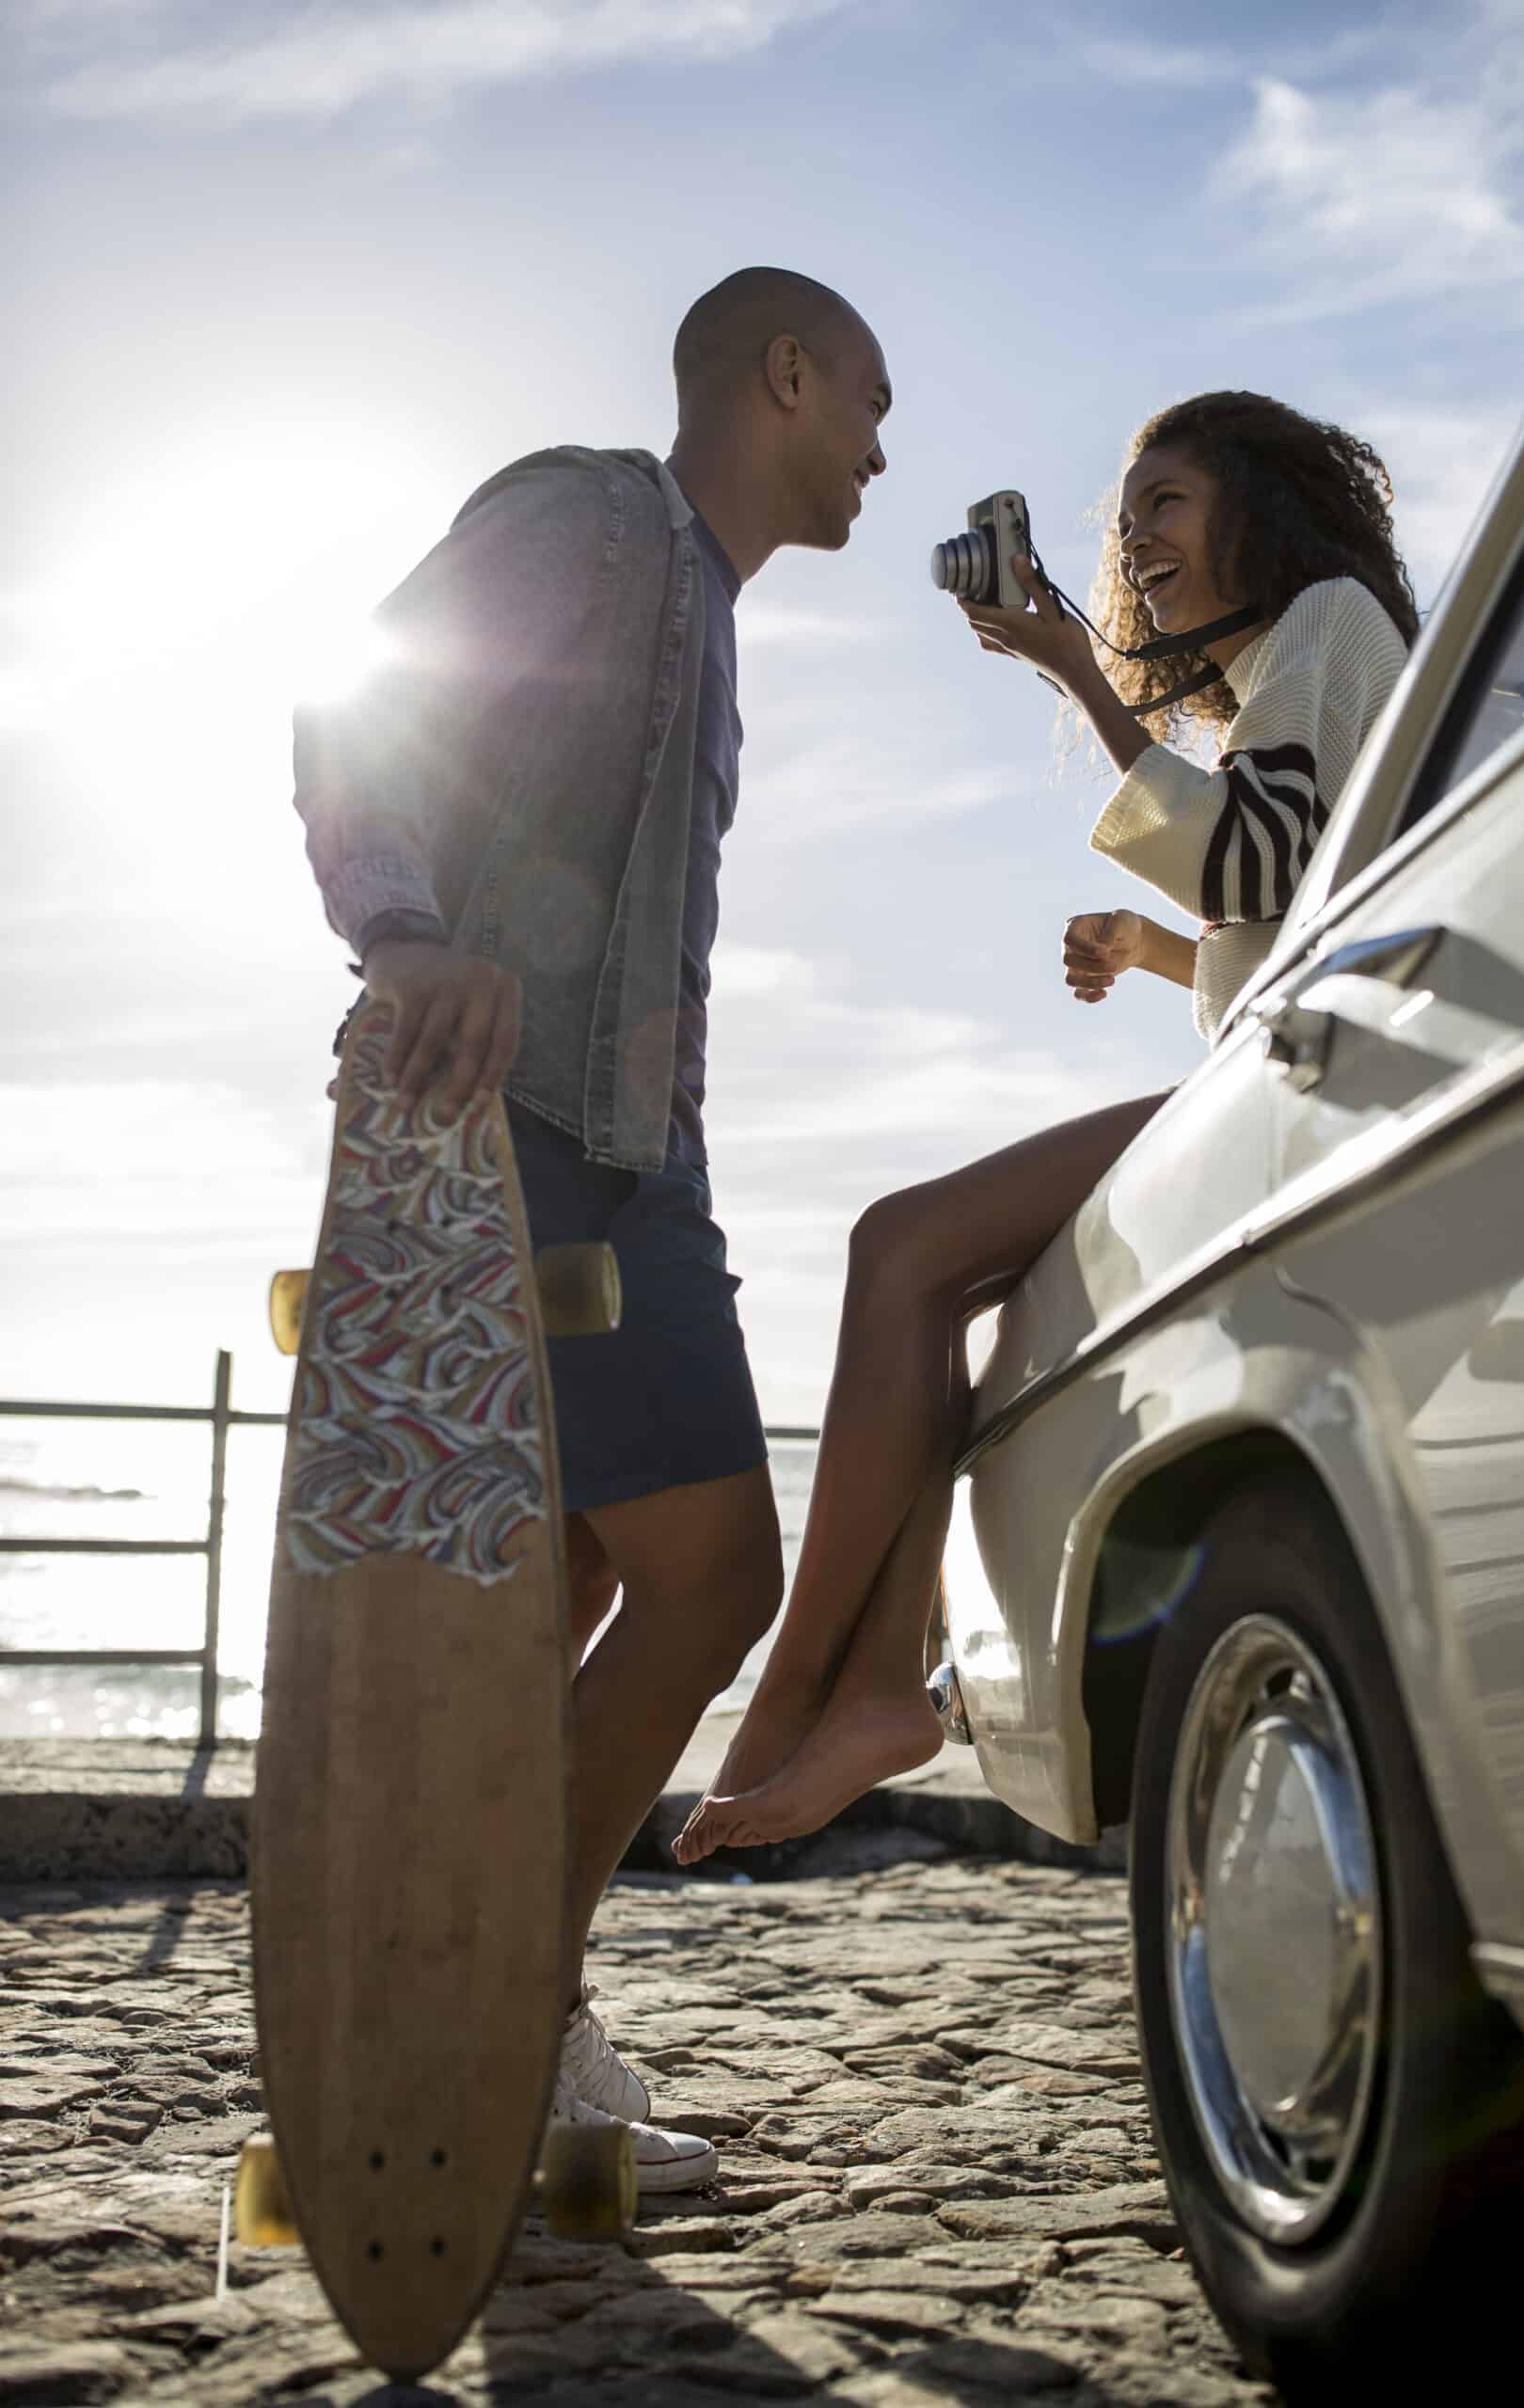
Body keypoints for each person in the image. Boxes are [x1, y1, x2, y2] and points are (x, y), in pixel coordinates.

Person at [292, 268, 892, 2187]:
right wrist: (400, 930)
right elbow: (357, 703)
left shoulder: (701, 609)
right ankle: (508, 2008)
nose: (881, 449)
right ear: (780, 374)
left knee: (529, 1613)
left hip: (626, 1144)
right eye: (864, 402)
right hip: (523, 1135)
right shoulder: (587, 519)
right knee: (713, 1578)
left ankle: (442, 2014)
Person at [673, 389, 1418, 1863]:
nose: (1134, 540)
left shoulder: (1329, 619)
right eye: (1125, 517)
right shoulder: (1299, 655)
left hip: (1311, 1091)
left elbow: (1266, 853)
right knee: (964, 1295)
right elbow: (1299, 887)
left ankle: (806, 1699)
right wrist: (1159, 953)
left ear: (1260, 508)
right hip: (1288, 1071)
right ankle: (877, 1687)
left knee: (906, 1249)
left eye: (1167, 506)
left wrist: (1078, 668)